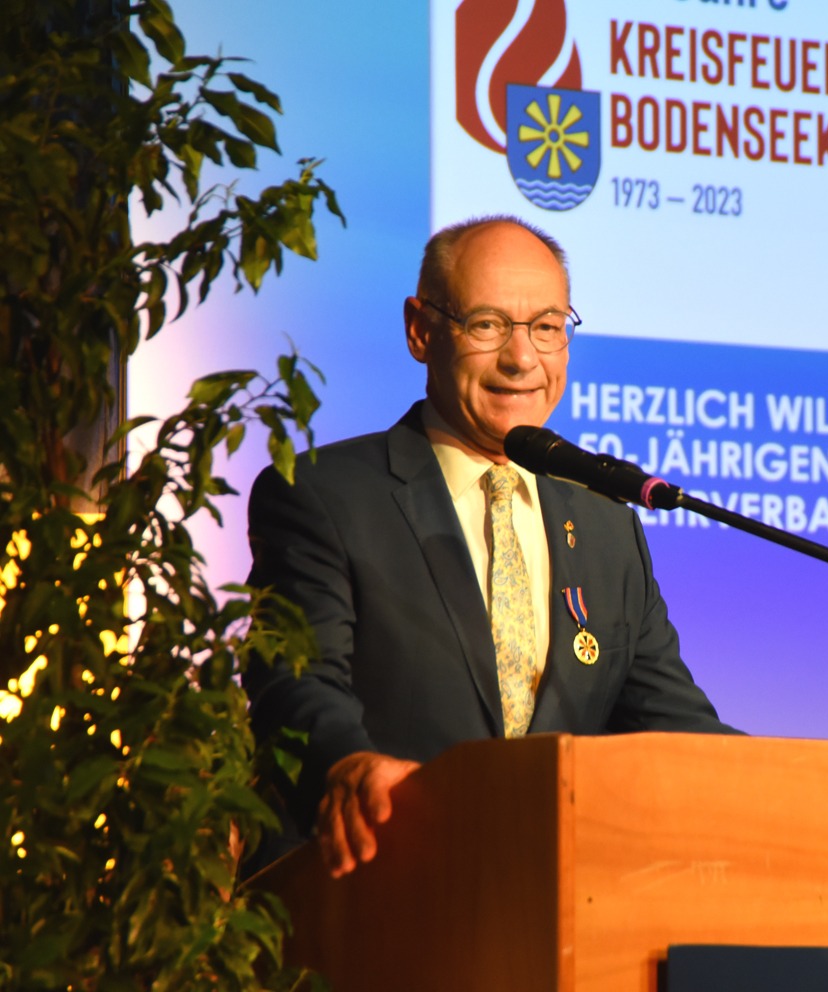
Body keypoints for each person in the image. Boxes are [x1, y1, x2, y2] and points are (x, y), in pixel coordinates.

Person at [244, 216, 736, 877]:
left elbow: (676, 730)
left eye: (547, 326)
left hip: (552, 900)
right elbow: (296, 684)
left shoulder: (605, 526)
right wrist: (346, 763)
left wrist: (802, 789)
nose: (521, 359)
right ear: (421, 330)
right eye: (487, 325)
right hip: (375, 883)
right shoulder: (324, 495)